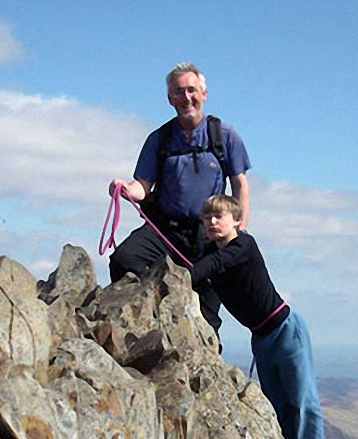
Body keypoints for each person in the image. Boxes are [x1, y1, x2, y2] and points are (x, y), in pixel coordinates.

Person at [190, 195, 332, 439]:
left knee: (301, 399)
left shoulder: (244, 245)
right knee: (278, 404)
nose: (213, 222)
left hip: (285, 330)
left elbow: (215, 264)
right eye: (208, 218)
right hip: (261, 337)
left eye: (220, 216)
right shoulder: (209, 253)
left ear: (237, 220)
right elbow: (207, 266)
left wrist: (185, 272)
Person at [108, 62, 251, 335]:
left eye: (191, 90)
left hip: (209, 233)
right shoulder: (159, 139)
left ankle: (205, 361)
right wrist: (126, 189)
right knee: (124, 259)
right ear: (169, 98)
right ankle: (147, 321)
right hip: (165, 229)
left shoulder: (224, 136)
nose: (186, 97)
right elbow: (143, 186)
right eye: (178, 92)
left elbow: (239, 185)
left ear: (204, 93)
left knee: (207, 310)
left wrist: (237, 232)